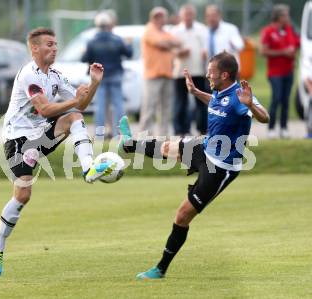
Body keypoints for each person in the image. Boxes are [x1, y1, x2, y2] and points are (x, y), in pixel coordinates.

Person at [118, 52, 269, 280]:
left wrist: (252, 106)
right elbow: (217, 103)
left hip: (219, 168)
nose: (207, 75)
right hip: (206, 148)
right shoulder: (220, 92)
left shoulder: (241, 97)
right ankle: (129, 145)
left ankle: (160, 269)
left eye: (211, 72)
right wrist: (196, 92)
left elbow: (264, 117)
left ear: (225, 75)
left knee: (182, 216)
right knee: (169, 147)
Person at [0, 28, 115, 277]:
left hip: (39, 135)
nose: (54, 48)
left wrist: (94, 84)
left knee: (75, 117)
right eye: (49, 44)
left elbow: (82, 105)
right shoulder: (28, 76)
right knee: (23, 195)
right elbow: (45, 109)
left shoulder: (55, 76)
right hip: (18, 141)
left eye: (56, 44)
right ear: (34, 48)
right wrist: (75, 100)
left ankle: (88, 168)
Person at [81, 11, 132, 138]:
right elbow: (129, 54)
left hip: (99, 77)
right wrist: (128, 44)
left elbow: (84, 58)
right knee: (118, 105)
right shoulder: (117, 39)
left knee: (100, 106)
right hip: (115, 75)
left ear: (97, 25)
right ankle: (119, 134)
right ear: (109, 24)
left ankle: (99, 135)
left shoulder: (91, 41)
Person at [139, 7, 181, 136]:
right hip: (153, 75)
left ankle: (163, 135)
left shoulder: (165, 32)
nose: (160, 19)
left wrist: (168, 44)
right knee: (149, 107)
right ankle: (145, 135)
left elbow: (178, 42)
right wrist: (169, 44)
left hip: (167, 74)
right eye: (157, 16)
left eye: (162, 16)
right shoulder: (149, 29)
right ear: (153, 18)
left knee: (165, 108)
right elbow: (161, 43)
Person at [261, 4, 300, 139]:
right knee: (276, 99)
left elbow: (297, 44)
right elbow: (263, 51)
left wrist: (293, 53)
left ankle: (284, 128)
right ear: (279, 16)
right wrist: (283, 52)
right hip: (275, 73)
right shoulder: (268, 31)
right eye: (286, 15)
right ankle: (271, 128)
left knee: (285, 100)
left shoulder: (289, 30)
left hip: (288, 71)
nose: (288, 18)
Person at [171, 4, 209, 136]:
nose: (188, 17)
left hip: (198, 71)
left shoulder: (202, 29)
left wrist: (205, 53)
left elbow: (206, 47)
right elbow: (171, 51)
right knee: (181, 102)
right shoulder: (175, 31)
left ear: (194, 15)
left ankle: (202, 129)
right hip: (180, 72)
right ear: (181, 16)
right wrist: (179, 52)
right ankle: (181, 130)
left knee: (201, 102)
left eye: (190, 14)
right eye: (185, 15)